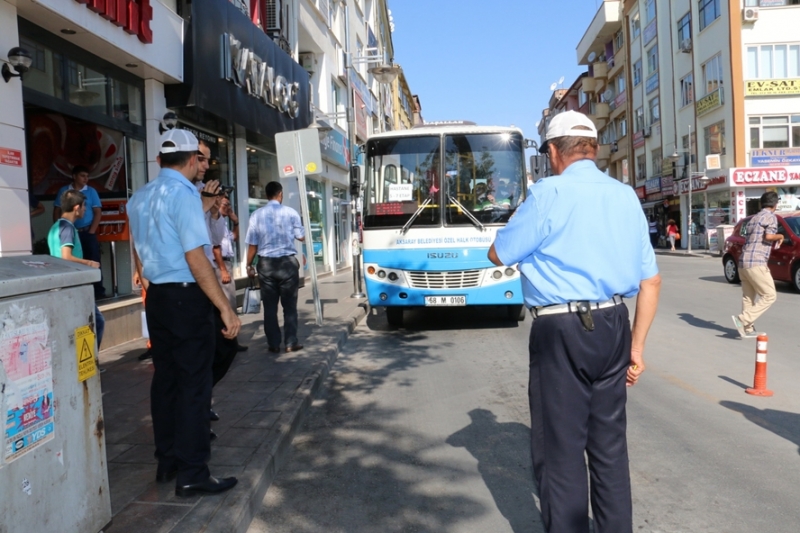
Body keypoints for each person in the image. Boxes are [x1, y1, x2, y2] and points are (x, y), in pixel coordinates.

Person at [487, 110, 661, 533]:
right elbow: (651, 281)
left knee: (561, 451)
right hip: (615, 323)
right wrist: (636, 349)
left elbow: (499, 254)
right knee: (609, 448)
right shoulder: (625, 196)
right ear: (594, 148)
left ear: (551, 152)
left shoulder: (548, 194)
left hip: (562, 329)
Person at [127, 128, 241, 498]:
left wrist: (149, 285)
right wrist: (225, 308)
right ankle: (193, 472)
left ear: (160, 160)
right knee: (194, 385)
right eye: (201, 161)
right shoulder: (185, 195)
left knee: (166, 381)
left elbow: (139, 254)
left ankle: (169, 460)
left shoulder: (139, 197)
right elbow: (196, 257)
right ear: (193, 160)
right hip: (186, 297)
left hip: (157, 296)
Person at [245, 181, 305, 354]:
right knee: (289, 306)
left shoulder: (256, 215)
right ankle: (290, 342)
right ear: (280, 194)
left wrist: (248, 264)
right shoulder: (291, 213)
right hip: (287, 263)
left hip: (266, 265)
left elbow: (252, 245)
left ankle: (273, 343)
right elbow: (301, 237)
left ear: (266, 195)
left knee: (270, 307)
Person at [47, 189, 105, 354]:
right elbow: (66, 256)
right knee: (98, 322)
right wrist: (89, 263)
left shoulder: (56, 226)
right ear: (77, 207)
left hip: (62, 285)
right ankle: (90, 364)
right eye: (84, 206)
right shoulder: (67, 228)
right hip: (72, 286)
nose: (86, 210)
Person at [732, 191, 784, 339]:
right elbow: (769, 236)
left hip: (743, 262)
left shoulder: (753, 218)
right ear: (775, 204)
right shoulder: (771, 217)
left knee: (748, 297)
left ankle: (747, 329)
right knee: (770, 295)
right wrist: (780, 236)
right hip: (756, 261)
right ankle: (743, 320)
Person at [53, 166, 105, 298]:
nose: (86, 179)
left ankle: (98, 292)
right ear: (74, 176)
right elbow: (56, 211)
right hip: (70, 230)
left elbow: (98, 212)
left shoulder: (91, 191)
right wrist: (59, 226)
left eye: (87, 176)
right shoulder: (64, 191)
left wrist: (91, 232)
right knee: (74, 261)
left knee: (93, 259)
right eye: (82, 176)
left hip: (86, 231)